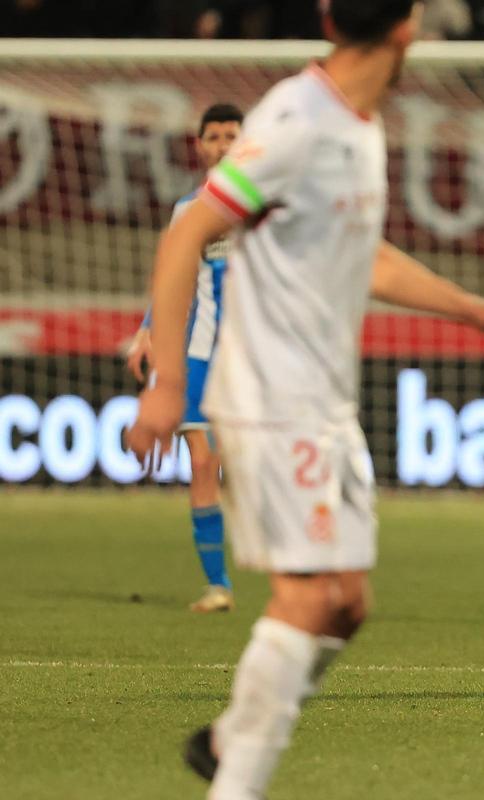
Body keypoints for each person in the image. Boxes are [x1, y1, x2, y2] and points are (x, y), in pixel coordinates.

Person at [127, 1, 484, 796]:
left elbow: (366, 254)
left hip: (324, 401)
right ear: (406, 29)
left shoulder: (359, 124)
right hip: (272, 398)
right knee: (308, 595)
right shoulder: (296, 116)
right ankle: (236, 782)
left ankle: (228, 739)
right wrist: (167, 387)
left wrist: (474, 310)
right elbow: (187, 234)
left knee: (347, 605)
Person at [126, 103, 242, 613]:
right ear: (200, 145)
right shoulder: (187, 211)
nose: (222, 145)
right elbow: (174, 281)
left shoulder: (267, 206)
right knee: (202, 462)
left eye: (231, 135)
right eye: (213, 136)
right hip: (200, 353)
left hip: (256, 357)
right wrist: (149, 330)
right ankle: (218, 585)